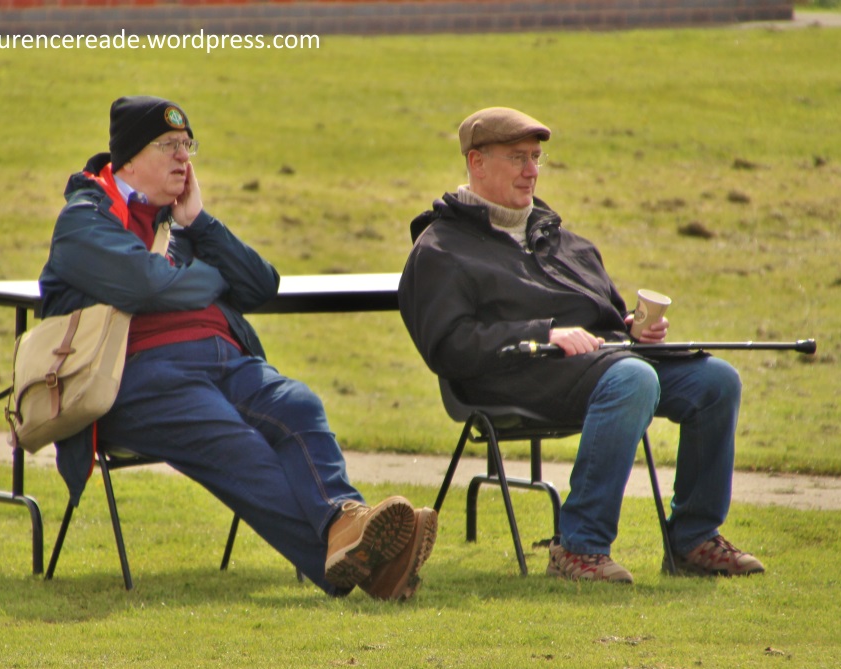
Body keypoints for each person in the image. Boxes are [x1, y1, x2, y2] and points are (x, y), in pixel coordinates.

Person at [39, 95, 436, 600]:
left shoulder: (180, 222)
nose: (183, 157)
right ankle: (370, 567)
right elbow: (147, 285)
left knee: (298, 403)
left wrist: (201, 223)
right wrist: (205, 276)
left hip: (225, 359)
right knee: (239, 446)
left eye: (187, 145)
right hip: (138, 375)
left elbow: (261, 285)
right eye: (168, 145)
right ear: (129, 159)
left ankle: (346, 520)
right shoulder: (85, 219)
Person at [398, 106, 764, 583]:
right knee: (632, 378)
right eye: (517, 158)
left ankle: (693, 539)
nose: (531, 170)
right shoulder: (439, 249)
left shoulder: (563, 240)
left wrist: (632, 330)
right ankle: (579, 548)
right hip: (510, 378)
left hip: (603, 365)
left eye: (535, 157)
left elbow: (607, 314)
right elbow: (447, 346)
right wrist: (542, 334)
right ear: (476, 162)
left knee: (716, 381)